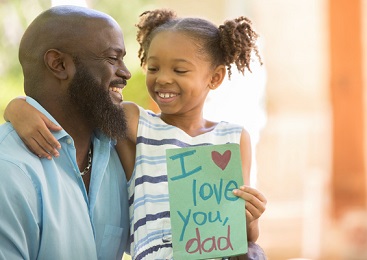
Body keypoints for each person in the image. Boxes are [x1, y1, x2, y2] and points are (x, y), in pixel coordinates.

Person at [5, 9, 268, 260]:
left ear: (216, 78)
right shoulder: (136, 125)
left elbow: (240, 231)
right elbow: (78, 105)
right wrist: (17, 108)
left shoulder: (233, 138)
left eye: (179, 70)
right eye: (153, 68)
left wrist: (250, 217)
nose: (162, 79)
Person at [0, 5, 131, 259]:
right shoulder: (9, 170)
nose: (125, 72)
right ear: (59, 64)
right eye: (112, 58)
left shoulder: (120, 151)